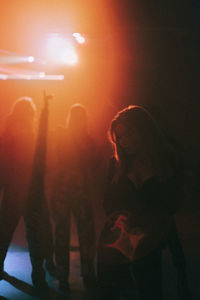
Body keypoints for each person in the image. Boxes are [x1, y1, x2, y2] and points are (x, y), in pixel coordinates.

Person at [97, 105, 188, 300]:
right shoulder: (117, 164)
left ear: (143, 130)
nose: (124, 142)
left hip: (152, 243)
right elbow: (107, 203)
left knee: (151, 291)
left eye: (128, 134)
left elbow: (173, 203)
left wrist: (150, 180)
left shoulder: (167, 158)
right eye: (119, 138)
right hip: (116, 245)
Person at [0, 95, 55, 292]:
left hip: (15, 192)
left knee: (4, 233)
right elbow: (42, 143)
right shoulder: (30, 136)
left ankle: (1, 268)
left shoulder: (7, 136)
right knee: (35, 237)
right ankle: (38, 277)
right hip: (31, 193)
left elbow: (3, 165)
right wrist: (45, 111)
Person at [51, 103, 97, 293]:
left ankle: (64, 278)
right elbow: (93, 165)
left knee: (62, 235)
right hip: (79, 189)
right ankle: (87, 275)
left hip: (63, 189)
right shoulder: (87, 141)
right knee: (85, 235)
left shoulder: (64, 136)